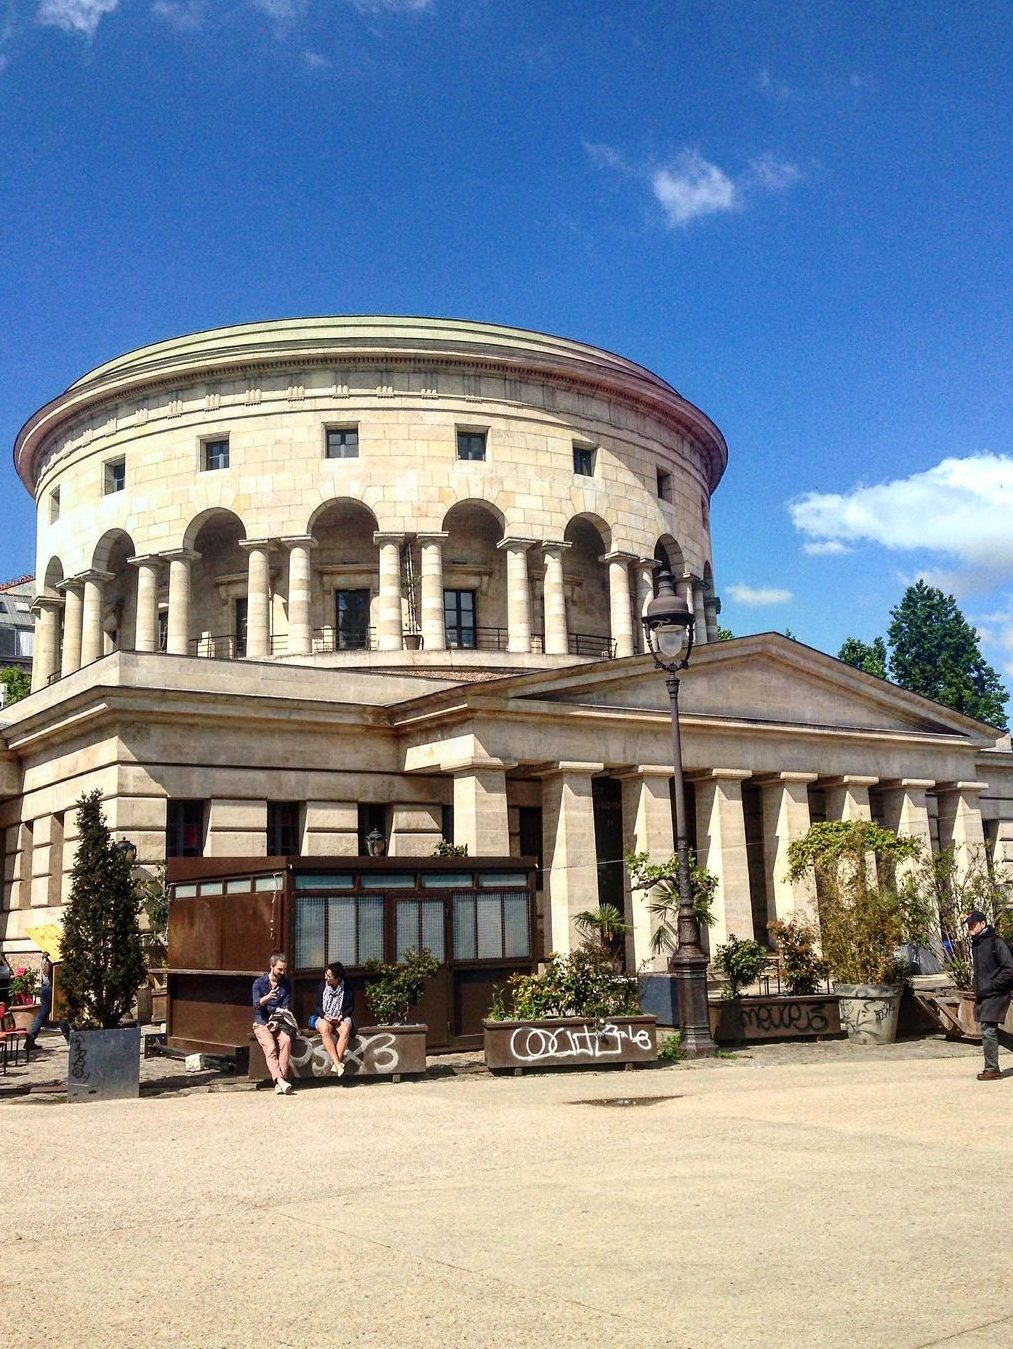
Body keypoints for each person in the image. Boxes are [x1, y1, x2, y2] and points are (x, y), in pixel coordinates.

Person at [965, 910, 1013, 1081]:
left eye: (973, 925)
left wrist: (992, 985)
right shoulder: (977, 943)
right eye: (969, 925)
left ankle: (992, 1069)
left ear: (983, 924)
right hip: (985, 993)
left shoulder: (996, 942)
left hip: (997, 993)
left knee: (988, 1028)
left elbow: (1009, 969)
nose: (970, 928)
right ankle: (992, 1068)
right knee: (991, 1030)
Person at [252, 951, 295, 1095]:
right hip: (262, 1022)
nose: (282, 972)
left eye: (284, 969)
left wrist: (277, 1022)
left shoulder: (286, 984)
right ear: (272, 966)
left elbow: (285, 1008)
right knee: (270, 1047)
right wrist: (268, 997)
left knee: (286, 1041)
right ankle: (281, 1080)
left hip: (278, 1021)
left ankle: (279, 1082)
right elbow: (257, 1005)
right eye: (280, 969)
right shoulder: (259, 983)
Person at [311, 961, 355, 1076]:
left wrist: (341, 1016)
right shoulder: (322, 987)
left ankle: (336, 1065)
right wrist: (325, 1016)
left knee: (345, 1030)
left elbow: (351, 1007)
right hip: (325, 1016)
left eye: (329, 976)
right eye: (326, 974)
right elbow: (316, 1006)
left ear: (337, 978)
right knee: (324, 1030)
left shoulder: (348, 988)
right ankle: (338, 1064)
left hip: (341, 1016)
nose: (326, 978)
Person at [24, 954, 54, 1052]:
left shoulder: (44, 958)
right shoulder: (52, 958)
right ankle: (70, 1040)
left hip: (45, 988)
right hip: (51, 988)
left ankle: (30, 1040)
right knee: (60, 1014)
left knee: (42, 1015)